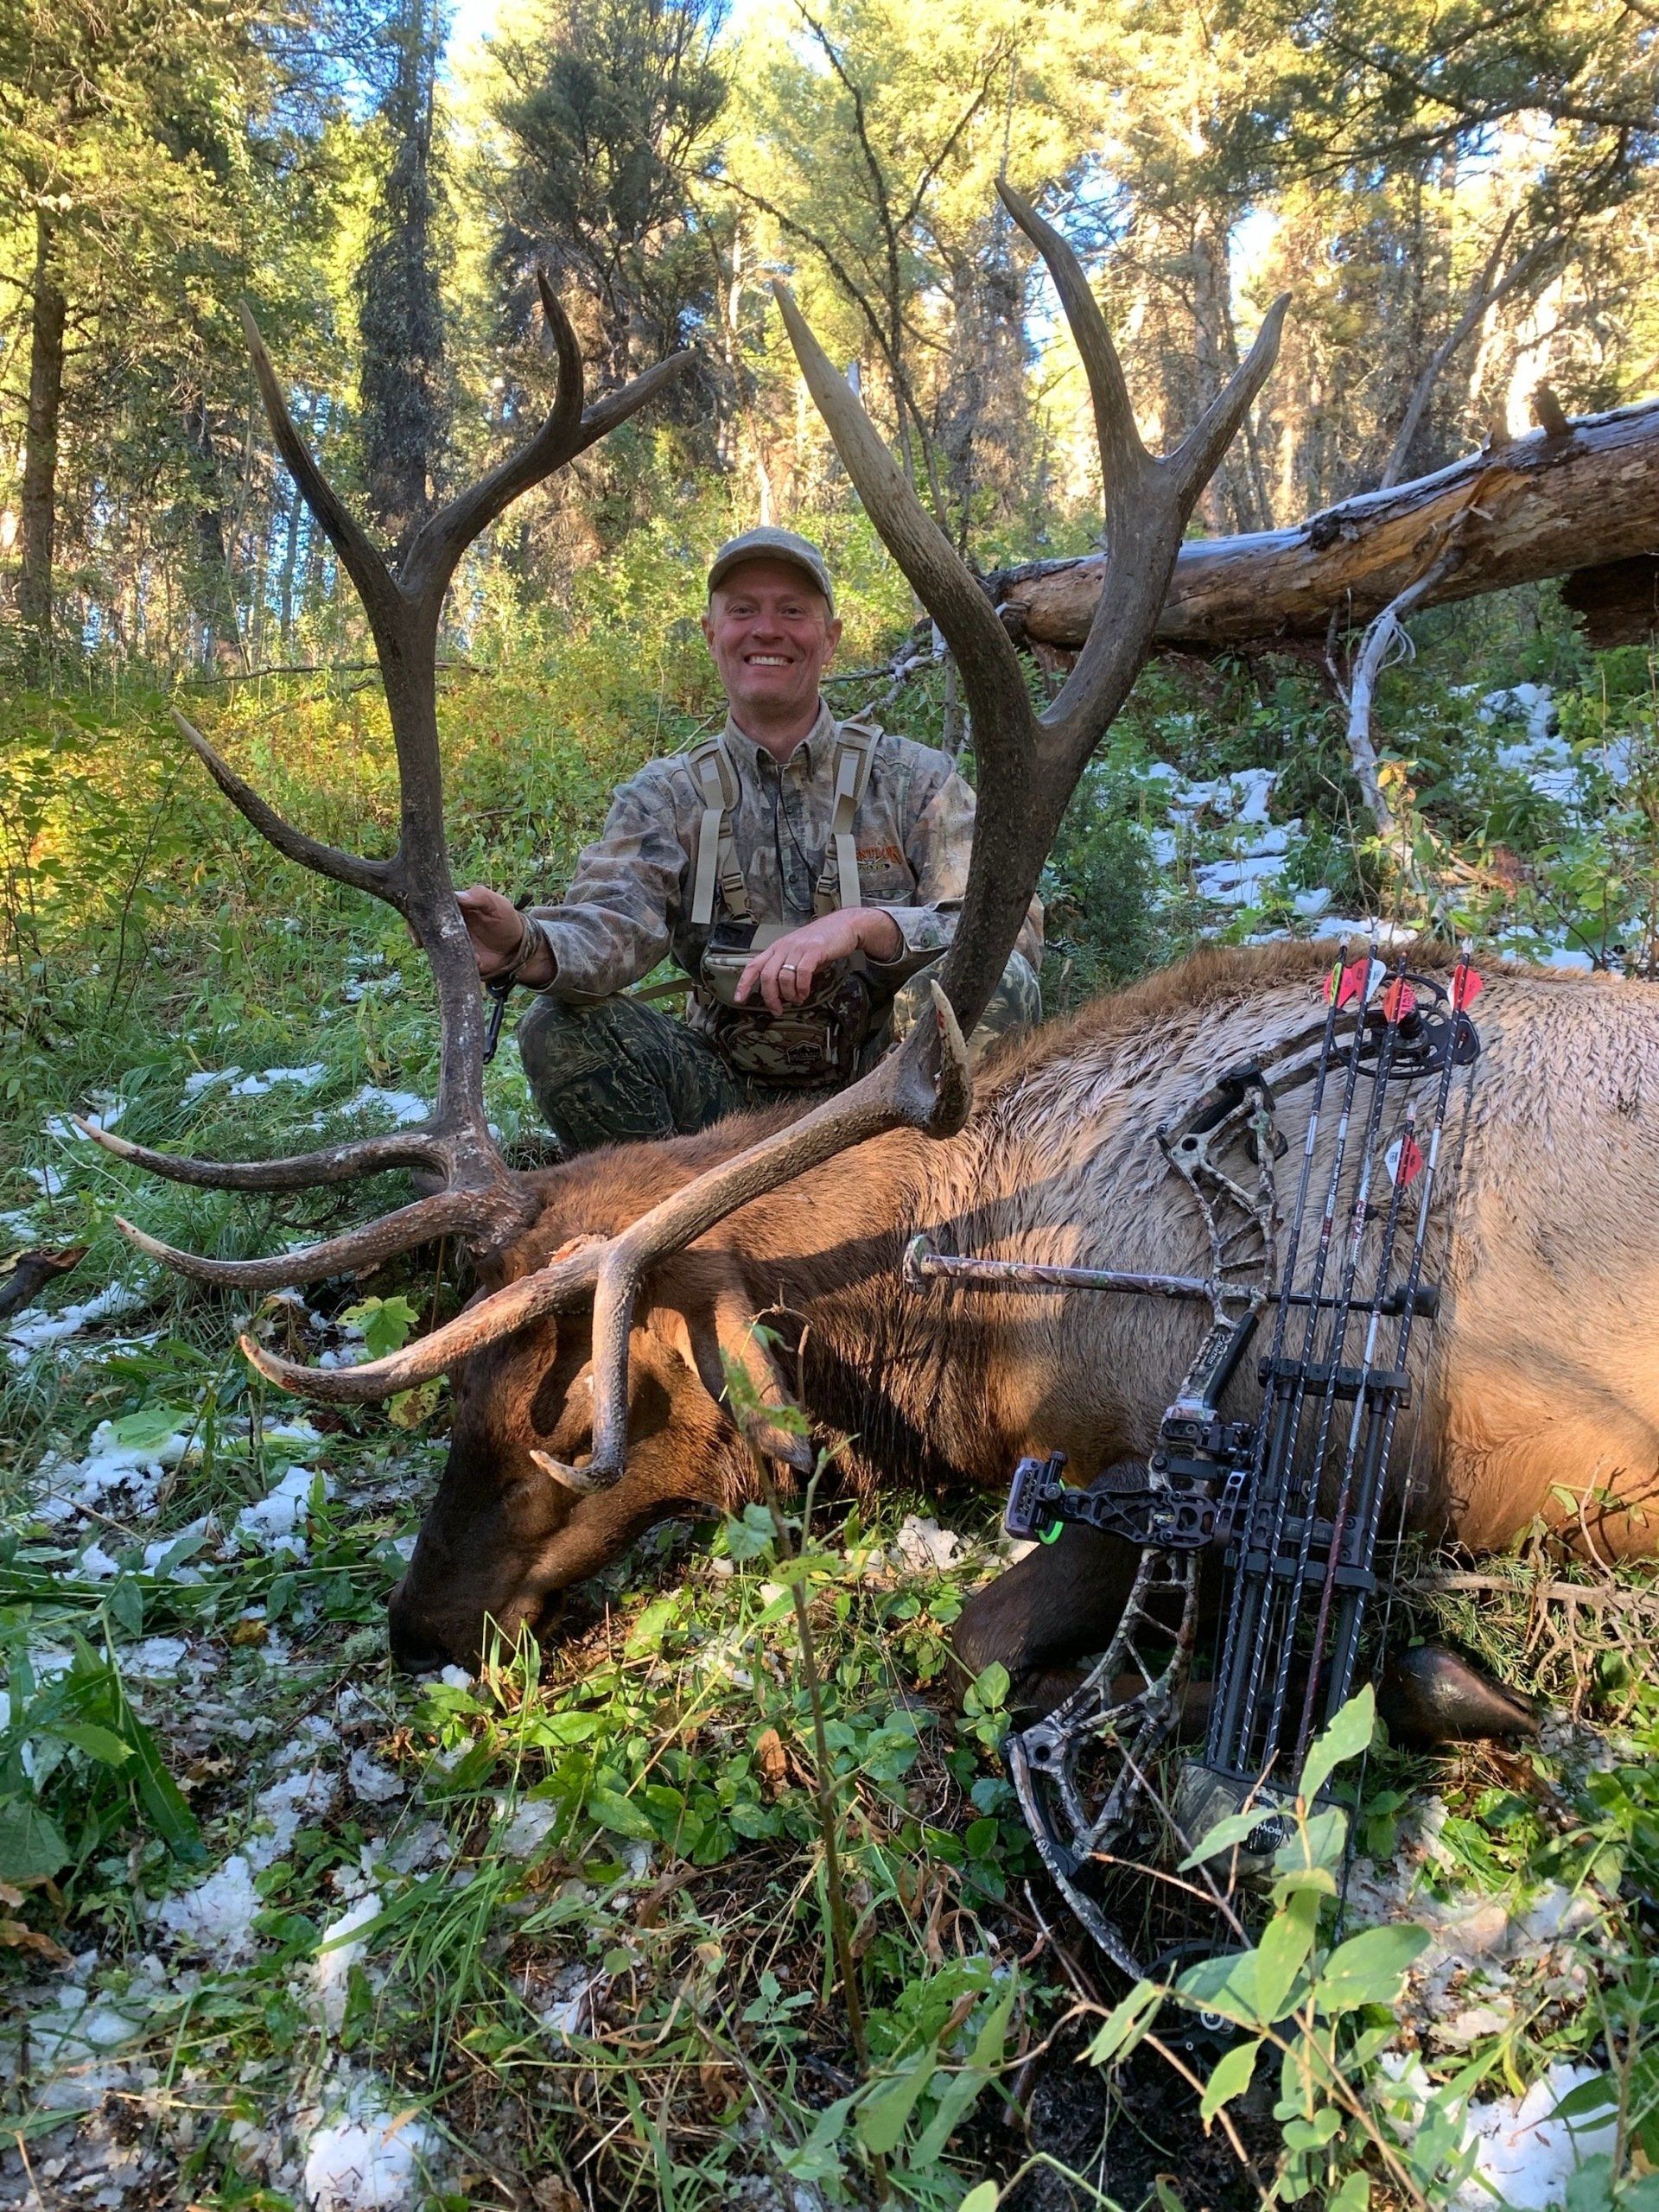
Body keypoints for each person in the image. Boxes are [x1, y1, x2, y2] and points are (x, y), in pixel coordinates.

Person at [457, 526, 1042, 1155]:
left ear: (831, 639)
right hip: (719, 1103)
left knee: (996, 983)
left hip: (891, 1088)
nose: (767, 630)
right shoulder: (664, 797)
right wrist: (525, 942)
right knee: (561, 1028)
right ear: (712, 635)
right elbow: (610, 926)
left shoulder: (915, 780)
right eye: (743, 611)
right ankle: (673, 1231)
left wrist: (869, 924)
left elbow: (1005, 928)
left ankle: (933, 1207)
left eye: (792, 611)